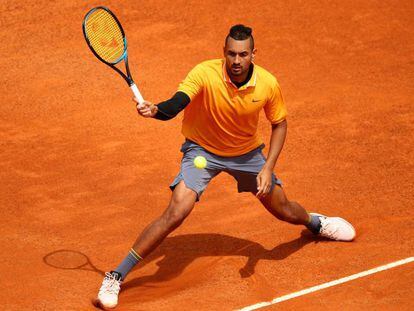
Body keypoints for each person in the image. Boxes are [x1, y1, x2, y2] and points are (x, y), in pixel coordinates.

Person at [94, 24, 356, 309]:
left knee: (283, 209)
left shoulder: (267, 83)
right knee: (176, 211)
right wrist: (156, 110)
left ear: (253, 54)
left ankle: (316, 223)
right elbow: (176, 104)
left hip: (246, 155)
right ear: (224, 53)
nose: (236, 61)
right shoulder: (204, 73)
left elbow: (279, 124)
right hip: (202, 151)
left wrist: (267, 167)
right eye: (231, 54)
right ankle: (116, 274)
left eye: (243, 54)